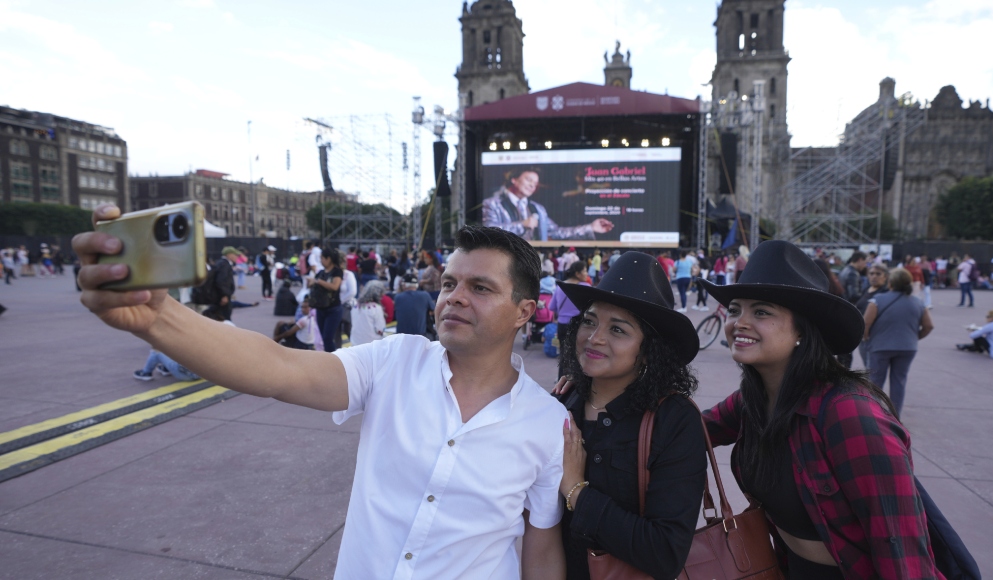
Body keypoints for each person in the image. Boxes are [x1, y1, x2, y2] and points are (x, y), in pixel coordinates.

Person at [75, 212, 570, 579]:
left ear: (525, 312)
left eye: (480, 288)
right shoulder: (393, 361)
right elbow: (278, 368)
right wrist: (157, 317)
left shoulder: (548, 424)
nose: (454, 297)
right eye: (448, 282)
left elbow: (541, 547)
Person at [695, 240, 943, 579]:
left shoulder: (850, 413)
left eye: (762, 311)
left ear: (802, 329)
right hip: (788, 567)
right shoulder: (754, 398)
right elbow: (691, 430)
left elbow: (901, 548)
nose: (740, 322)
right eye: (735, 309)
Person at [552, 251, 707, 578]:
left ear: (649, 350)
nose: (595, 338)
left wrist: (577, 491)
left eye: (618, 330)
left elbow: (665, 552)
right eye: (590, 321)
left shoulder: (673, 420)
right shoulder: (561, 403)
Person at [863, 269, 934, 415]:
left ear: (890, 282)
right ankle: (895, 415)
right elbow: (929, 326)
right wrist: (915, 337)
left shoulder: (877, 301)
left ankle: (873, 414)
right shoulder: (919, 303)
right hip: (908, 347)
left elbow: (865, 325)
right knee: (899, 381)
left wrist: (867, 338)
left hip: (880, 346)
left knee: (875, 382)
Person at [483, 167, 615, 241]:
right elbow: (489, 232)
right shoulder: (493, 203)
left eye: (535, 184)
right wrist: (522, 225)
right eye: (528, 180)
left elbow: (557, 232)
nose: (532, 185)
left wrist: (590, 227)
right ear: (514, 179)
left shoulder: (537, 208)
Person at [854, 263, 890, 369]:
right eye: (872, 273)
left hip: (874, 336)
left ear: (885, 276)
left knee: (873, 369)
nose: (874, 276)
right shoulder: (867, 289)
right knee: (867, 366)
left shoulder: (885, 293)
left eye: (878, 274)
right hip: (862, 335)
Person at [309, 247, 344, 353]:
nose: (321, 261)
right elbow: (312, 284)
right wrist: (311, 282)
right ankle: (330, 357)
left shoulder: (337, 272)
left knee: (328, 338)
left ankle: (333, 359)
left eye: (322, 258)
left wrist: (319, 282)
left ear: (329, 259)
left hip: (333, 309)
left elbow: (334, 287)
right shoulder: (320, 272)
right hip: (320, 308)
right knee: (324, 338)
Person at [394, 272, 435, 337]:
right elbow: (433, 311)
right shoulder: (425, 295)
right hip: (420, 335)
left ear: (404, 285)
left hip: (401, 337)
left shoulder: (398, 297)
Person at [549, 261, 589, 327]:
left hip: (562, 324)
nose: (587, 274)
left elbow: (551, 307)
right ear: (577, 274)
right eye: (585, 271)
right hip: (577, 325)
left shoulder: (559, 287)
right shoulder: (585, 287)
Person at [350, 281, 387, 346]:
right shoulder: (376, 307)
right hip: (371, 343)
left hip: (355, 341)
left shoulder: (355, 305)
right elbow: (380, 329)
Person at [209, 246, 239, 321]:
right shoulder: (224, 265)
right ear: (229, 255)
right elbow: (221, 281)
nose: (237, 257)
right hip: (222, 297)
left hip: (218, 295)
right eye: (235, 255)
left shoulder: (220, 263)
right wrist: (224, 295)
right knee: (225, 317)